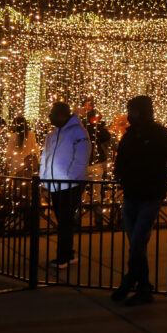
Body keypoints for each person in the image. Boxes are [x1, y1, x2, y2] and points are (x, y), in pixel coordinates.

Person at [111, 96, 167, 306]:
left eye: (133, 111)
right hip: (132, 194)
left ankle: (131, 282)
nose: (130, 114)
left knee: (136, 243)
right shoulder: (130, 135)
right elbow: (121, 160)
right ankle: (143, 287)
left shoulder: (159, 133)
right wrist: (120, 176)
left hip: (150, 196)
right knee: (136, 244)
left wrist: (159, 178)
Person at [39, 102, 91, 268]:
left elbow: (81, 158)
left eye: (52, 113)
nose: (50, 117)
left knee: (65, 220)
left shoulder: (77, 132)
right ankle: (68, 254)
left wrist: (69, 178)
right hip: (56, 183)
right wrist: (44, 177)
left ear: (61, 114)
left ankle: (64, 256)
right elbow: (46, 157)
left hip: (70, 183)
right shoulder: (54, 133)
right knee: (63, 220)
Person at [79, 98, 112, 180]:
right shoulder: (80, 120)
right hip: (84, 156)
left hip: (95, 155)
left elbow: (105, 137)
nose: (87, 107)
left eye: (89, 105)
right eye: (85, 105)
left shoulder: (96, 120)